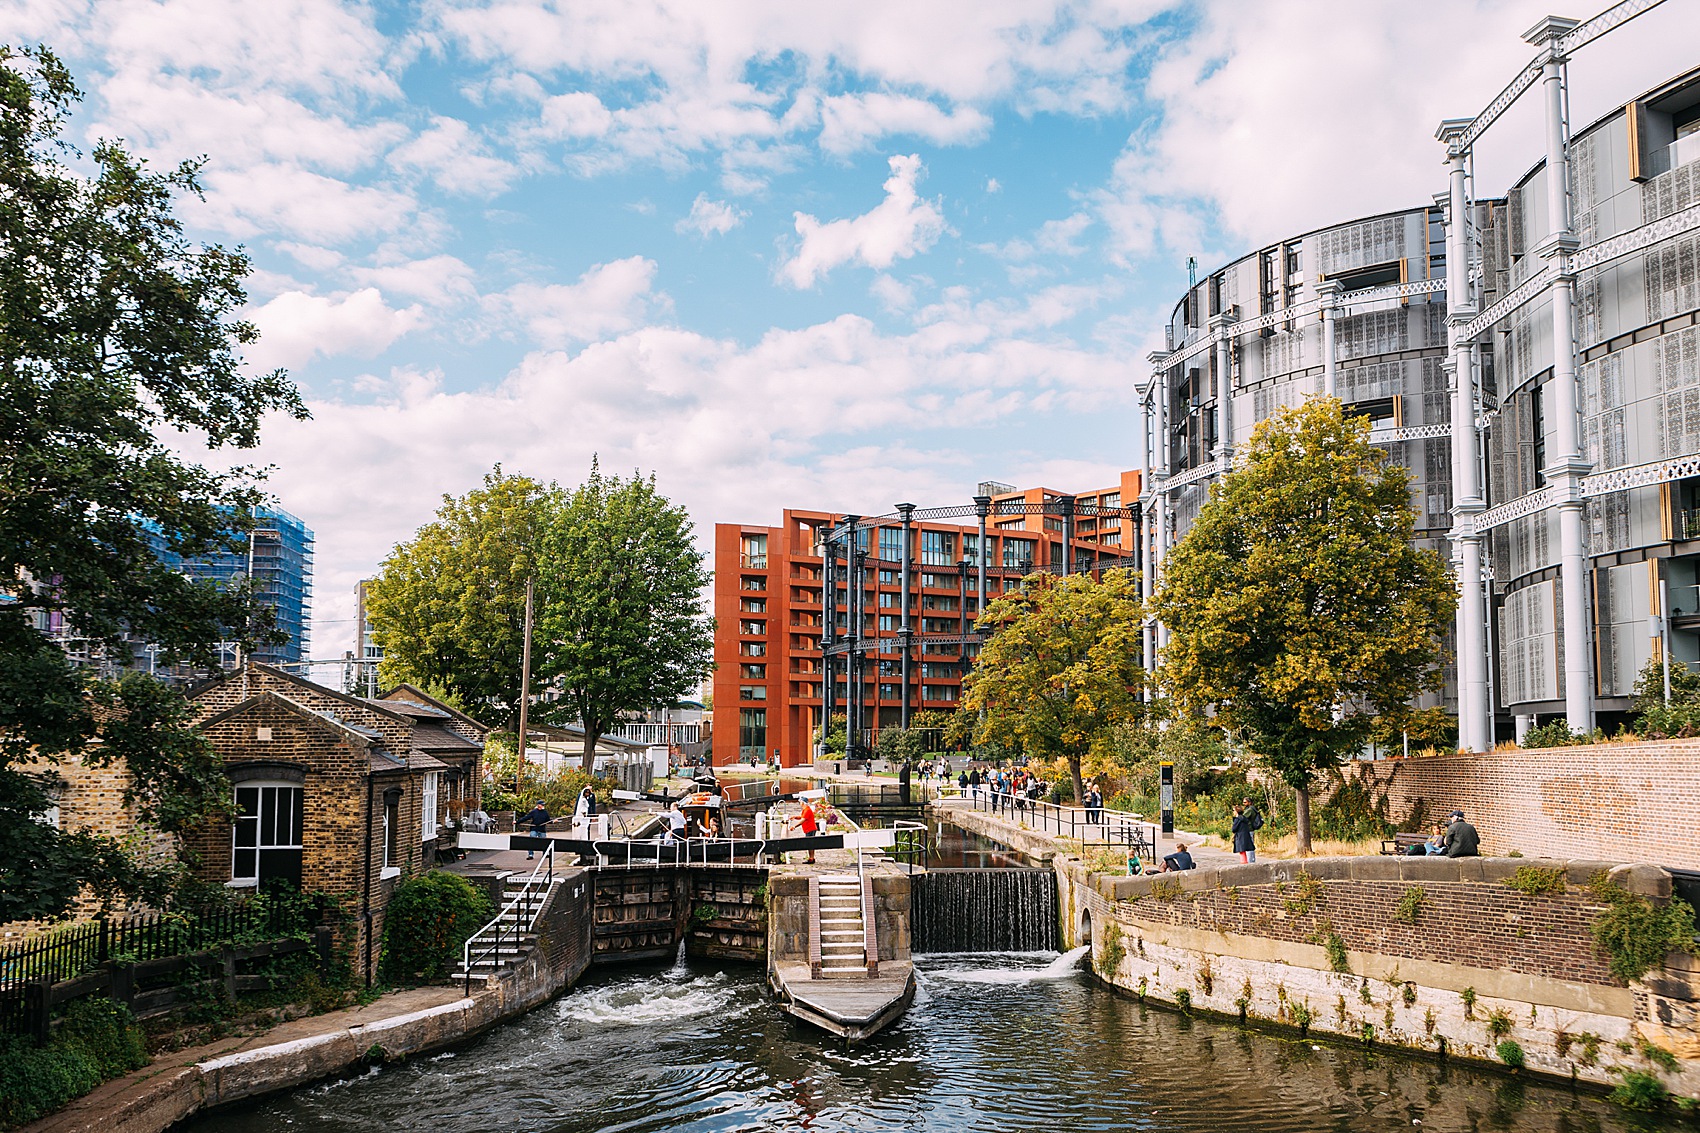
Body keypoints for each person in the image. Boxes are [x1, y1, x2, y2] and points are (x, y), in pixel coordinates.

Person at [1232, 797, 1262, 864]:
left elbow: (1243, 817)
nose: (1243, 804)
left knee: (1248, 847)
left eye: (1245, 802)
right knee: (1249, 846)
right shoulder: (1251, 809)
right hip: (1249, 829)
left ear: (1249, 802)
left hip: (1249, 830)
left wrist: (1237, 817)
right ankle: (1250, 861)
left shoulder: (1250, 810)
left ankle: (1250, 861)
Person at [800, 799, 819, 864]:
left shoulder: (807, 810)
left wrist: (794, 826)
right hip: (809, 829)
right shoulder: (806, 810)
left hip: (810, 829)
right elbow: (802, 817)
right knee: (810, 844)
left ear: (802, 802)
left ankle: (811, 858)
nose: (799, 803)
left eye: (800, 802)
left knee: (809, 844)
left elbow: (803, 820)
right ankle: (811, 858)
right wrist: (795, 817)